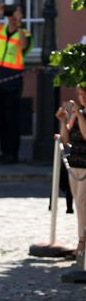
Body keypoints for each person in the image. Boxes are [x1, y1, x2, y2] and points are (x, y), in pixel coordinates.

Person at [0, 3, 32, 165]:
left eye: (16, 13)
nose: (13, 15)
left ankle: (13, 153)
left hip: (13, 79)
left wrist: (19, 24)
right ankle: (4, 151)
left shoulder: (25, 32)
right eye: (12, 13)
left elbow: (23, 45)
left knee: (12, 117)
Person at [56, 86, 86, 259]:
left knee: (82, 202)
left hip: (85, 166)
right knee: (78, 203)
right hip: (74, 164)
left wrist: (79, 114)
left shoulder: (81, 114)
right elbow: (67, 140)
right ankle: (81, 241)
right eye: (80, 95)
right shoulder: (78, 114)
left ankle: (82, 244)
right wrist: (63, 120)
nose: (82, 98)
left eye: (84, 95)